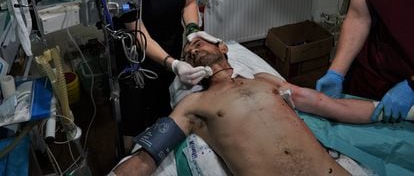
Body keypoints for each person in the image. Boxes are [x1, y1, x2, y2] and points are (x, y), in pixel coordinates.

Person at [111, 36, 399, 176]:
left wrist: (402, 111)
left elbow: (327, 104)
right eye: (189, 53)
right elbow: (144, 160)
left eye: (199, 44)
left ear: (223, 48)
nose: (194, 50)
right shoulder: (194, 104)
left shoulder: (265, 80)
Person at [110, 0, 213, 149]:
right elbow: (139, 33)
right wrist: (173, 63)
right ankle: (128, 157)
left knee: (165, 107)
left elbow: (188, 2)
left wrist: (193, 30)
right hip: (135, 52)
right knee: (134, 115)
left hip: (170, 38)